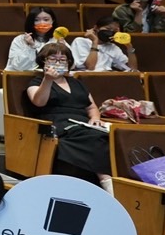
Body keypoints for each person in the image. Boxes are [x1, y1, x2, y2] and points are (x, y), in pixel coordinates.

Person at [26, 43, 111, 185]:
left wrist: (95, 118)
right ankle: (105, 179)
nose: (58, 63)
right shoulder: (37, 81)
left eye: (62, 60)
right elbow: (38, 102)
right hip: (58, 124)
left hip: (83, 123)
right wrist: (48, 80)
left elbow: (91, 107)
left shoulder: (77, 83)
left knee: (107, 135)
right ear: (43, 61)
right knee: (93, 137)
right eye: (53, 59)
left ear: (69, 63)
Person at [7, 7, 61, 72]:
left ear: (52, 21)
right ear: (31, 22)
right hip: (22, 77)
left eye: (46, 20)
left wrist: (63, 47)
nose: (42, 23)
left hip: (51, 77)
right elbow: (18, 66)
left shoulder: (57, 39)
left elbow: (71, 65)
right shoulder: (20, 40)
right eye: (36, 20)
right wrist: (31, 47)